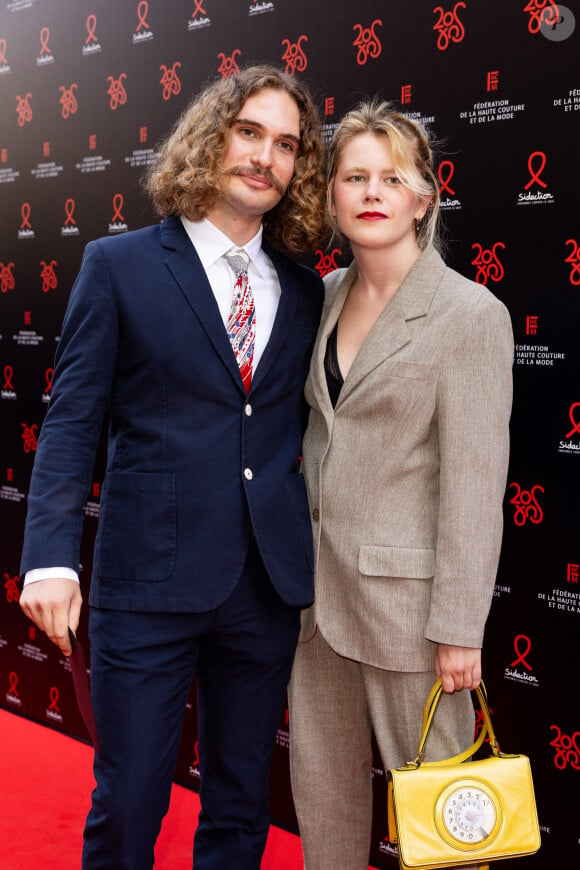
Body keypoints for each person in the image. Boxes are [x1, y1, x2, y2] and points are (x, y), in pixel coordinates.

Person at [19, 65, 326, 869]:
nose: (265, 157)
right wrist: (49, 555)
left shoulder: (303, 288)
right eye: (249, 132)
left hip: (264, 586)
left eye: (286, 144)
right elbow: (72, 422)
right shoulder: (116, 265)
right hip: (146, 582)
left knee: (240, 799)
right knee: (131, 800)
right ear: (211, 137)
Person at [288, 101, 514, 869]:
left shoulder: (469, 314)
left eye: (393, 177)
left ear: (425, 197)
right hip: (316, 608)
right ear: (332, 197)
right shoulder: (318, 298)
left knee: (447, 834)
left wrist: (460, 629)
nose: (372, 191)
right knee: (324, 813)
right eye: (355, 177)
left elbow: (477, 485)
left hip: (414, 621)